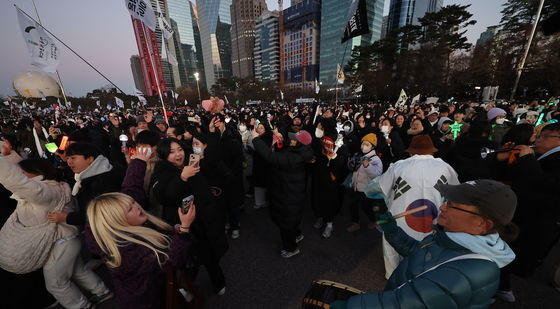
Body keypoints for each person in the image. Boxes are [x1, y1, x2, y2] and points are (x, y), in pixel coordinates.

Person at [331, 180, 517, 309]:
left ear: (483, 223)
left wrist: (351, 305)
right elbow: (419, 255)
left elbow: (406, 304)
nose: (443, 207)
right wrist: (393, 231)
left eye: (452, 205)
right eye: (447, 201)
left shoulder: (471, 271)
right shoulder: (453, 239)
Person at [0, 157, 112, 309]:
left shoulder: (44, 191)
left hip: (62, 242)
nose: (21, 174)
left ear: (36, 172)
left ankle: (81, 306)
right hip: (66, 240)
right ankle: (102, 291)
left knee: (56, 284)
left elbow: (19, 182)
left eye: (23, 172)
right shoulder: (47, 187)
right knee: (78, 270)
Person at [364, 134, 459, 278]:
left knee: (395, 245)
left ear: (410, 151)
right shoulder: (446, 167)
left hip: (400, 218)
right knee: (429, 251)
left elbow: (374, 188)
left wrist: (381, 194)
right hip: (434, 220)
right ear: (432, 151)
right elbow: (456, 193)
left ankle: (394, 277)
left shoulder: (399, 166)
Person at [85, 192, 196, 309]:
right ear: (117, 221)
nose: (136, 206)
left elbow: (132, 187)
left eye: (133, 202)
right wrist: (185, 227)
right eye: (129, 209)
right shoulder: (129, 251)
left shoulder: (114, 237)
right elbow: (174, 261)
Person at [495, 123, 560, 300]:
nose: (537, 140)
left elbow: (545, 187)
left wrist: (527, 160)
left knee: (516, 254)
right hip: (518, 212)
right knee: (504, 250)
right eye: (538, 136)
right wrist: (504, 159)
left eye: (543, 136)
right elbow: (516, 177)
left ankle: (499, 288)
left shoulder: (547, 159)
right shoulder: (539, 156)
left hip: (535, 219)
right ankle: (501, 286)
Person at [252, 129, 314, 258]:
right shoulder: (301, 152)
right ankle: (297, 235)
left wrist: (256, 139)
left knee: (286, 223)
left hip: (287, 195)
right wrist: (279, 138)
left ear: (298, 144)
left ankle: (291, 248)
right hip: (291, 193)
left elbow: (270, 157)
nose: (290, 140)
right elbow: (286, 146)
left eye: (293, 139)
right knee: (292, 219)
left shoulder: (294, 157)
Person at [48, 142, 124, 228]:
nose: (69, 162)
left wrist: (67, 217)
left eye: (73, 158)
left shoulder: (103, 182)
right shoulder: (83, 176)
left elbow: (102, 215)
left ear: (89, 159)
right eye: (68, 158)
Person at [344, 133, 383, 232]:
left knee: (366, 207)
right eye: (363, 144)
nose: (363, 146)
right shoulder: (359, 155)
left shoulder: (376, 159)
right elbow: (353, 169)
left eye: (367, 144)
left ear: (373, 146)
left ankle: (373, 220)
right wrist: (350, 164)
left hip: (366, 189)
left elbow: (376, 175)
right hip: (355, 186)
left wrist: (367, 166)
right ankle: (355, 223)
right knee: (352, 205)